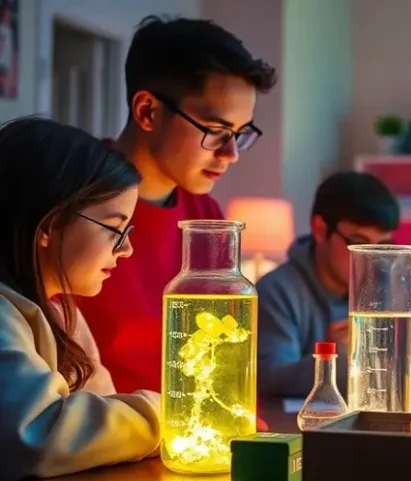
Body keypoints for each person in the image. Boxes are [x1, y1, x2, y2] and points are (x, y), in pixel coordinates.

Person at [75, 15, 277, 398]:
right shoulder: (70, 200)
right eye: (215, 132)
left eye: (239, 134)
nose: (231, 154)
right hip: (100, 428)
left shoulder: (207, 219)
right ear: (148, 111)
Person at [0, 116, 160, 481]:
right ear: (49, 225)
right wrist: (165, 416)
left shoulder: (61, 313)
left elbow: (101, 409)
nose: (127, 250)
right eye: (115, 229)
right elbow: (36, 434)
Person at [256, 172, 399, 398]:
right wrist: (330, 359)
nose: (371, 258)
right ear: (320, 230)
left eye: (382, 246)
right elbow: (270, 381)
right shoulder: (276, 291)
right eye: (358, 243)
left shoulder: (388, 289)